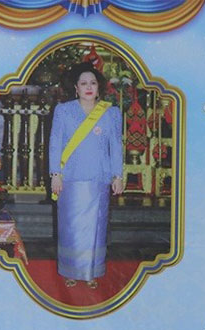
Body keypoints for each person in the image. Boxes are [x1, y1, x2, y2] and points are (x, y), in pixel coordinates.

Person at [48, 62, 124, 290]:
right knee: (70, 228)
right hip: (70, 178)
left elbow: (116, 146)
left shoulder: (111, 113)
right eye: (83, 83)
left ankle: (92, 272)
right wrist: (55, 173)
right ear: (76, 88)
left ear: (99, 87)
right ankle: (70, 271)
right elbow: (55, 144)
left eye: (93, 83)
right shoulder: (63, 111)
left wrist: (117, 175)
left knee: (95, 228)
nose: (89, 87)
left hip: (98, 179)